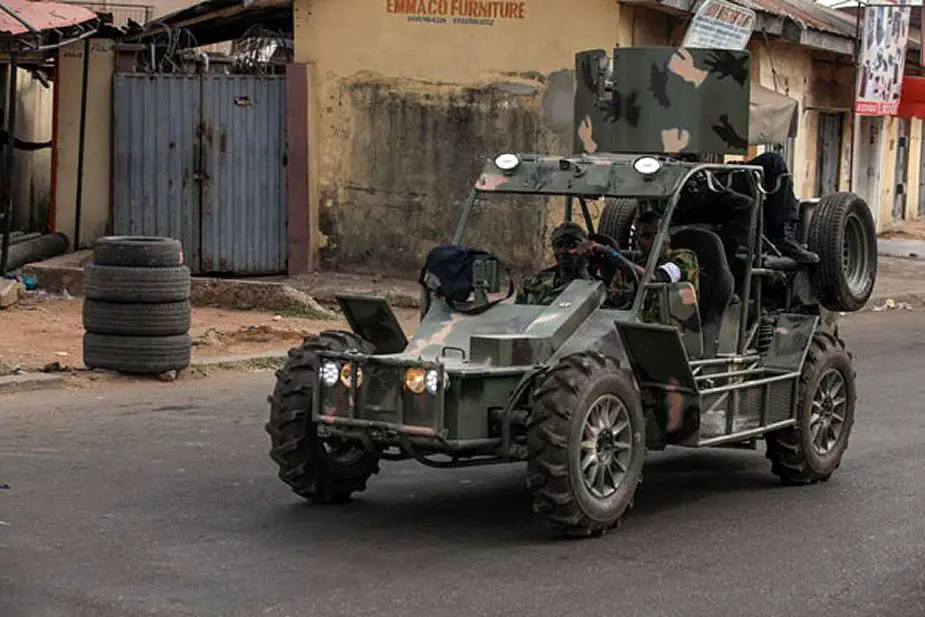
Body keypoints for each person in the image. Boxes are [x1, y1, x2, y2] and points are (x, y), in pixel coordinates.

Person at [673, 151, 819, 265]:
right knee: (745, 205)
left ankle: (782, 236)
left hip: (707, 177)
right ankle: (725, 268)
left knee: (773, 162)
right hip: (682, 190)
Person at [516, 222, 591, 306]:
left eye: (572, 245)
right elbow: (516, 313)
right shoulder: (534, 282)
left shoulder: (593, 286)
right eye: (559, 245)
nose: (563, 251)